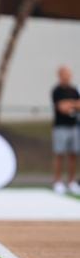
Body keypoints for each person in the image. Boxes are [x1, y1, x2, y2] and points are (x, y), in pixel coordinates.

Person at [51, 65, 80, 195]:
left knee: (73, 154)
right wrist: (72, 104)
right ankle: (57, 181)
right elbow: (61, 108)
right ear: (60, 75)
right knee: (59, 154)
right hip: (60, 127)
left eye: (69, 73)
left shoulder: (74, 90)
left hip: (73, 127)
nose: (68, 76)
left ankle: (72, 182)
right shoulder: (57, 91)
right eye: (65, 74)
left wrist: (71, 104)